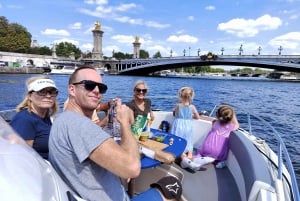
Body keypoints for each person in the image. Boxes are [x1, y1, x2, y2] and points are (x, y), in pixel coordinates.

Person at [48, 66, 181, 201]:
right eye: (89, 85)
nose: (96, 91)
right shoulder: (80, 125)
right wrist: (124, 122)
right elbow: (132, 168)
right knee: (172, 184)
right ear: (72, 89)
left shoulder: (62, 120)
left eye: (101, 88)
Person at [10, 76, 59, 159]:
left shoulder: (46, 117)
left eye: (52, 92)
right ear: (30, 96)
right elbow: (22, 157)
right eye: (41, 92)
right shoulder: (24, 120)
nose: (48, 96)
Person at [182, 105, 239, 171]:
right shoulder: (231, 127)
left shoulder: (214, 122)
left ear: (218, 115)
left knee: (200, 153)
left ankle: (198, 158)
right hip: (218, 152)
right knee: (219, 157)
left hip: (206, 148)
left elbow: (218, 120)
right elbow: (237, 125)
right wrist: (233, 114)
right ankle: (218, 162)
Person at [170, 87, 205, 170]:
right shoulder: (192, 107)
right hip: (187, 126)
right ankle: (190, 156)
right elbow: (197, 117)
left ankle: (184, 158)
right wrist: (190, 115)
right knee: (188, 141)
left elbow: (174, 115)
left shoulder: (177, 105)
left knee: (178, 141)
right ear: (191, 96)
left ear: (181, 96)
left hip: (178, 125)